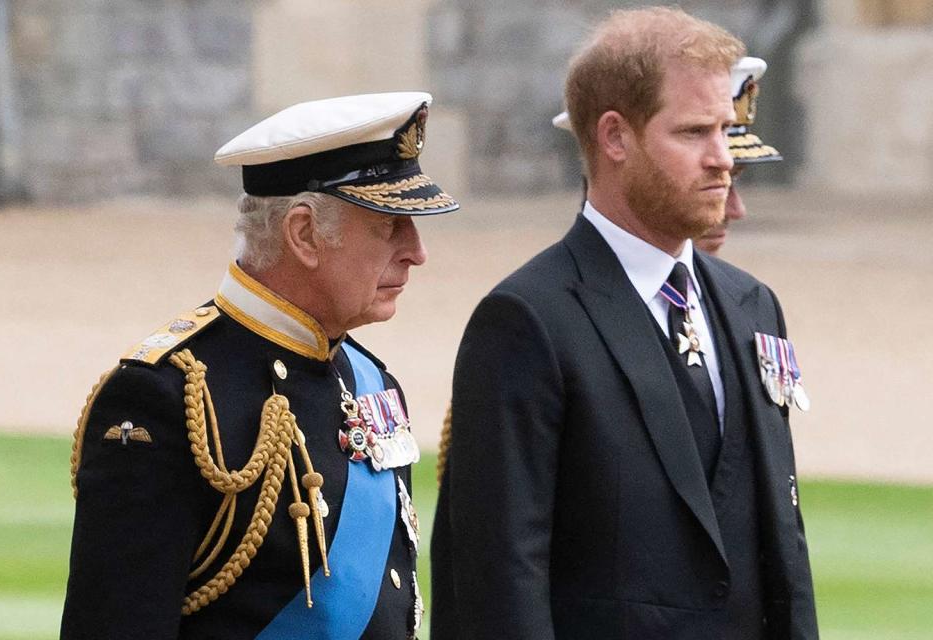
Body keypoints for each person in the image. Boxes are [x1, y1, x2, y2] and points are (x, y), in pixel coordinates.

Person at [431, 8, 817, 640]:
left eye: (725, 129)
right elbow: (499, 581)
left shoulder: (753, 305)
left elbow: (782, 545)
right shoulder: (528, 320)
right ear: (614, 137)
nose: (722, 158)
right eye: (694, 132)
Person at [61, 91, 457, 639]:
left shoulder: (370, 382)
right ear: (304, 234)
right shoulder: (164, 398)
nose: (417, 251)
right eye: (390, 225)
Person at [551, 56, 783, 255]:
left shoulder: (740, 298)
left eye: (733, 179)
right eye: (708, 174)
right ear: (616, 141)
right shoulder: (539, 303)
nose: (736, 210)